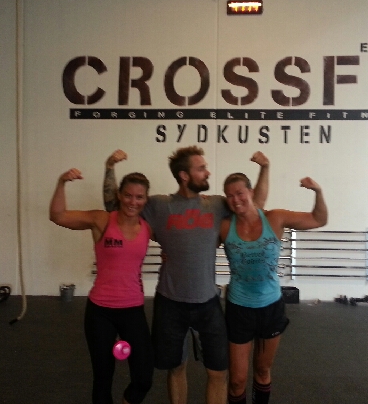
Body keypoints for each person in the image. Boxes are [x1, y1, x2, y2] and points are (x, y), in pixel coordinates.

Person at [103, 147, 269, 404]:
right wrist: (110, 168)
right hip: (170, 303)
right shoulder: (159, 205)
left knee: (218, 371)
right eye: (201, 168)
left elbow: (254, 205)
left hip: (208, 302)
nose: (207, 172)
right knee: (176, 368)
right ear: (184, 175)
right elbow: (115, 207)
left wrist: (264, 169)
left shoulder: (216, 205)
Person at [220, 173, 328, 404]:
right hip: (239, 308)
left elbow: (319, 219)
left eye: (239, 193)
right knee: (237, 380)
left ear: (251, 192)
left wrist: (318, 192)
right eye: (229, 196)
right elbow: (196, 245)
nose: (235, 199)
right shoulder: (225, 226)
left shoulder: (275, 218)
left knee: (262, 370)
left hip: (270, 306)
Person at [49, 168, 154, 404]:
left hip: (133, 310)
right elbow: (58, 216)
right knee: (103, 378)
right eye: (128, 195)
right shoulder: (102, 220)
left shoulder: (148, 227)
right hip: (100, 312)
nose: (133, 202)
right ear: (119, 195)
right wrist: (61, 182)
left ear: (146, 200)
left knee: (143, 377)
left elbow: (179, 239)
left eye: (139, 197)